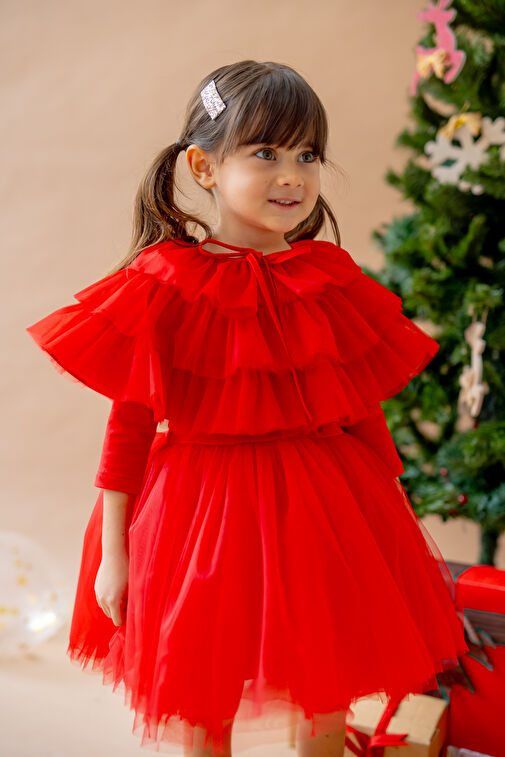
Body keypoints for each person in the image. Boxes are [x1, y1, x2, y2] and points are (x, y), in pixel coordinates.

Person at [25, 60, 469, 757]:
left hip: (323, 510)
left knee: (325, 682)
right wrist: (115, 553)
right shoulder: (165, 283)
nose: (291, 175)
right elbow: (129, 425)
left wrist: (389, 517)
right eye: (265, 153)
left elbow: (356, 404)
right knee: (204, 687)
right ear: (203, 166)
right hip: (200, 513)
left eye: (307, 155)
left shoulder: (328, 278)